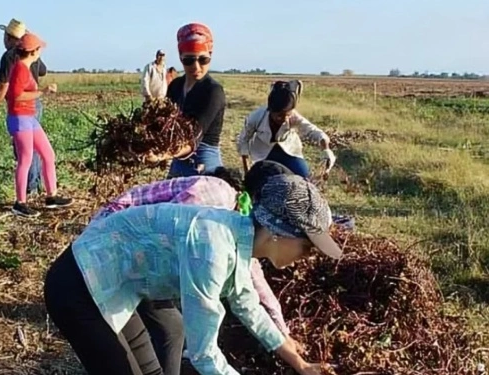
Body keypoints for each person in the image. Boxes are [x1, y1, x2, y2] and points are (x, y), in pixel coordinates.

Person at [44, 172, 342, 375]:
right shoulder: (211, 248)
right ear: (278, 232)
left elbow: (248, 306)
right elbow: (204, 354)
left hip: (119, 286)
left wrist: (300, 364)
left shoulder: (237, 237)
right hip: (78, 287)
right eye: (306, 247)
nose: (306, 257)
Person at [88, 163, 296, 375]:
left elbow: (248, 287)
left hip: (137, 262)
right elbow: (167, 234)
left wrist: (284, 337)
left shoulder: (240, 228)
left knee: (173, 329)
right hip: (113, 249)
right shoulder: (217, 199)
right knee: (169, 329)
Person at [4, 32, 72, 218]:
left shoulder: (26, 68)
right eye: (39, 48)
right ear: (33, 51)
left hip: (29, 118)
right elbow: (15, 95)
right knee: (25, 159)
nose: (41, 50)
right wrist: (43, 91)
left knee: (48, 154)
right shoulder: (19, 69)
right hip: (20, 118)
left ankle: (52, 197)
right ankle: (20, 203)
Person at [0, 18, 45, 198]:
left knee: (24, 149)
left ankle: (29, 189)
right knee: (35, 147)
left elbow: (3, 85)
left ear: (9, 38)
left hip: (20, 106)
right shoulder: (31, 53)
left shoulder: (10, 55)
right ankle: (36, 186)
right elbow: (42, 71)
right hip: (35, 103)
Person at [162, 23, 227, 178]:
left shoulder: (213, 91)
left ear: (210, 55)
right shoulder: (176, 86)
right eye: (189, 60)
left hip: (204, 161)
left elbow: (193, 139)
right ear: (180, 57)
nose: (196, 66)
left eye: (203, 59)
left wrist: (161, 154)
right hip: (178, 160)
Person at [237, 80, 336, 178]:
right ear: (270, 110)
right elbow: (244, 140)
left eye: (287, 115)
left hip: (288, 150)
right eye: (279, 116)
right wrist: (247, 170)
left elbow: (311, 130)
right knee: (262, 181)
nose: (284, 119)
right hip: (264, 153)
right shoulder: (256, 117)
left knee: (304, 177)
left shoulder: (293, 116)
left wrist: (325, 146)